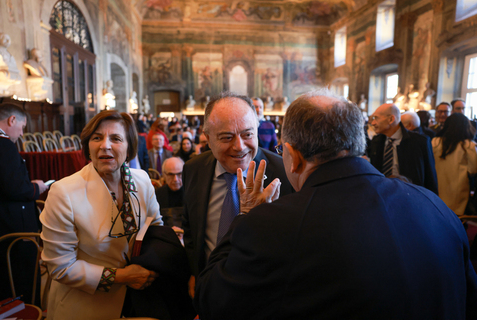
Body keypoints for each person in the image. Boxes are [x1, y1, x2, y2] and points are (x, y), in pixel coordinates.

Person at [194, 88, 477, 319]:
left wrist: (245, 217)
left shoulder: (273, 224)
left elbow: (212, 299)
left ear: (293, 155)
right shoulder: (437, 206)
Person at [40, 110, 163, 320]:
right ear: (88, 146)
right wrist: (124, 276)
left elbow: (155, 229)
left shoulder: (142, 181)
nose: (105, 145)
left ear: (129, 147)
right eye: (97, 138)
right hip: (85, 307)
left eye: (115, 138)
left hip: (140, 300)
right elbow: (60, 266)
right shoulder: (64, 192)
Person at [182, 91, 293, 296]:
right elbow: (191, 231)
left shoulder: (286, 173)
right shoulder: (193, 169)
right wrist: (196, 273)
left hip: (266, 294)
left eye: (248, 134)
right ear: (207, 138)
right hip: (209, 290)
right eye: (227, 137)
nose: (239, 146)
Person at [0, 104, 48, 304]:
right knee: (20, 280)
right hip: (10, 226)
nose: (22, 132)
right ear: (12, 120)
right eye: (22, 126)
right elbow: (15, 189)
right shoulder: (3, 144)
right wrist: (36, 188)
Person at [368, 103, 438, 194]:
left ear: (391, 119)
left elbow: (430, 177)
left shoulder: (419, 142)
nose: (373, 123)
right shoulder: (376, 141)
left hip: (411, 196)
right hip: (382, 195)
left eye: (376, 118)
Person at [432, 113, 477, 216]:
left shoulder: (435, 142)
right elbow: (473, 170)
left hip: (438, 186)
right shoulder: (469, 145)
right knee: (456, 218)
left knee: (438, 215)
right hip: (459, 188)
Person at [156, 157, 185, 232]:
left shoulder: (192, 193)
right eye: (171, 174)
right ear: (164, 175)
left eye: (179, 174)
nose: (175, 179)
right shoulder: (157, 195)